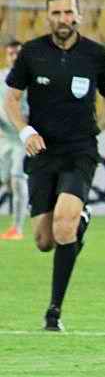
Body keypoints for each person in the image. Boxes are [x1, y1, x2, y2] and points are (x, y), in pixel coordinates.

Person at [3, 0, 105, 331]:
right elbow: (11, 100)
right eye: (56, 13)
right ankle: (81, 218)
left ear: (78, 15)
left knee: (64, 225)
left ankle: (53, 312)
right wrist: (25, 131)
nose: (63, 19)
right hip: (42, 152)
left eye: (68, 12)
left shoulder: (96, 55)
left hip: (80, 150)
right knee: (44, 240)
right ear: (48, 16)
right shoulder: (32, 53)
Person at [0, 38, 29, 239]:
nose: (14, 57)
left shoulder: (31, 79)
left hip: (22, 138)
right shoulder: (1, 78)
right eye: (11, 53)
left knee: (18, 180)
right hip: (4, 137)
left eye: (18, 53)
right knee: (7, 181)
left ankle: (17, 229)